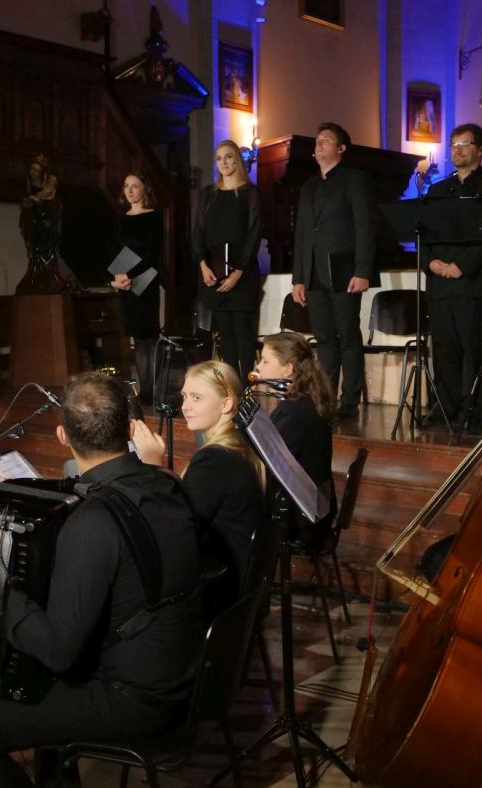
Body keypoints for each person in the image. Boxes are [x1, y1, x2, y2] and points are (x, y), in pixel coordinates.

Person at [0, 372, 204, 788]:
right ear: (130, 429)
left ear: (62, 436)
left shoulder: (93, 523)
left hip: (136, 700)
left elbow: (58, 651)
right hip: (183, 673)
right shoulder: (164, 481)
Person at [131, 360, 265, 613]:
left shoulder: (216, 460)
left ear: (226, 404)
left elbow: (178, 528)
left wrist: (152, 466)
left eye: (197, 398)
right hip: (235, 582)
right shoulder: (236, 444)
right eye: (184, 396)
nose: (185, 406)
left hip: (220, 593)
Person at [423, 123, 482, 429]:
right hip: (439, 283)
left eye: (464, 144)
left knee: (472, 349)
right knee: (443, 349)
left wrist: (462, 265)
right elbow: (424, 231)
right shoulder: (438, 190)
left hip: (474, 282)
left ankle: (471, 412)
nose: (457, 150)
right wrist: (430, 262)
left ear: (481, 149)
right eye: (453, 144)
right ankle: (444, 410)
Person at [291, 122, 376, 420]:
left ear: (341, 148)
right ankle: (326, 398)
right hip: (314, 272)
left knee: (348, 337)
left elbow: (365, 227)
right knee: (325, 339)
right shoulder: (308, 186)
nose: (319, 144)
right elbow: (302, 234)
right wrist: (298, 278)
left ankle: (349, 401)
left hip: (344, 271)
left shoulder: (355, 179)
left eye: (326, 140)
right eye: (317, 140)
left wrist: (363, 270)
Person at [253, 332, 336, 538]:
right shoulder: (305, 400)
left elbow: (273, 466)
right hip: (313, 511)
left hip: (300, 519)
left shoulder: (295, 412)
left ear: (287, 369)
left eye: (265, 361)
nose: (258, 367)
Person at [194, 140, 263, 381]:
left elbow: (254, 234)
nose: (223, 162)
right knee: (226, 337)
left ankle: (247, 391)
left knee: (244, 335)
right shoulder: (208, 194)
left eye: (228, 156)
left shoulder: (250, 193)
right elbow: (198, 232)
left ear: (237, 160)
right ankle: (233, 389)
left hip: (242, 274)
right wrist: (203, 265)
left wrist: (238, 272)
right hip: (214, 273)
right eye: (219, 158)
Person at [111, 172, 165, 402]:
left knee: (149, 336)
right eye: (126, 186)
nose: (130, 190)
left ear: (145, 189)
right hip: (126, 285)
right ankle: (145, 390)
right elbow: (115, 252)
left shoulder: (154, 218)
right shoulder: (121, 220)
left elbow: (152, 255)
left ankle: (152, 390)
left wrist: (130, 275)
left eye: (135, 185)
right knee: (137, 339)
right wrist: (116, 279)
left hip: (146, 281)